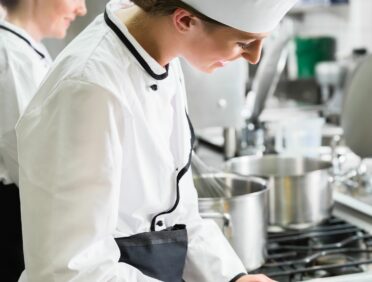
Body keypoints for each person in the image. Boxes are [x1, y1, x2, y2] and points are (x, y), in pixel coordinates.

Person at [16, 0, 296, 281]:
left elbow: (178, 213)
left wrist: (233, 278)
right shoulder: (89, 89)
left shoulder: (161, 53)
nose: (254, 58)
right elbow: (70, 270)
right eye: (243, 42)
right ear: (185, 21)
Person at [0, 0, 86, 281]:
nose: (82, 9)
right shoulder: (12, 56)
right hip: (15, 214)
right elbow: (28, 160)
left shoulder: (24, 49)